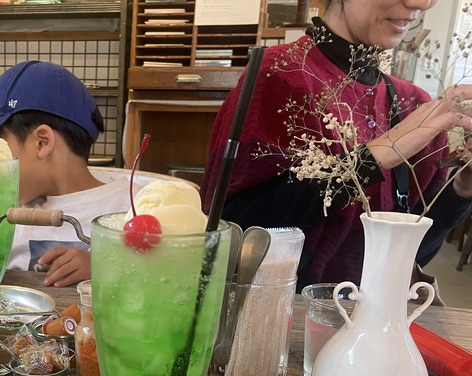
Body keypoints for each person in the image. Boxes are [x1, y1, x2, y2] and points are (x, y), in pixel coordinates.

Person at [201, 0, 472, 289]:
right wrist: (368, 161)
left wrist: (461, 188)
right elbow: (231, 232)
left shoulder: (413, 103)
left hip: (377, 310)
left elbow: (413, 256)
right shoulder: (278, 74)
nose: (421, 3)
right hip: (291, 309)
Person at [0, 60, 132, 288]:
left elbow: (154, 268)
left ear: (42, 142)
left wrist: (101, 263)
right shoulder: (5, 200)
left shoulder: (131, 205)